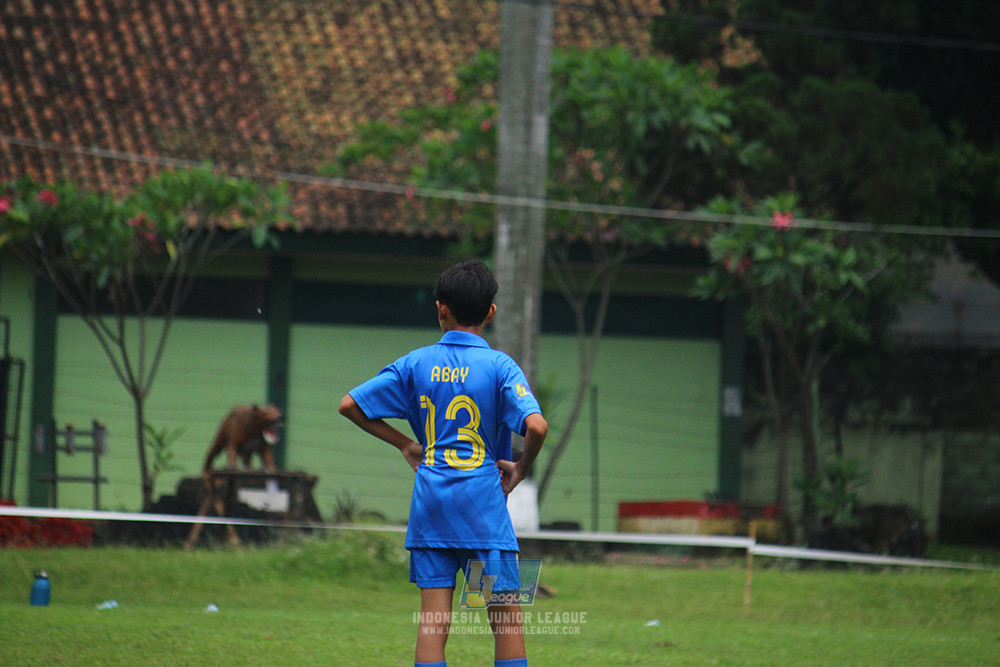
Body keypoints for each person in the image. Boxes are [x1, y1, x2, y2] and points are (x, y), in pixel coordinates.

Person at [339, 260, 547, 667]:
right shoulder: (501, 367)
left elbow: (350, 405)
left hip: (431, 505)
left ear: (440, 309)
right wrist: (520, 469)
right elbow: (536, 427)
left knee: (433, 619)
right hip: (483, 509)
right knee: (504, 618)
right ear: (491, 312)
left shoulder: (414, 364)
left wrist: (406, 445)